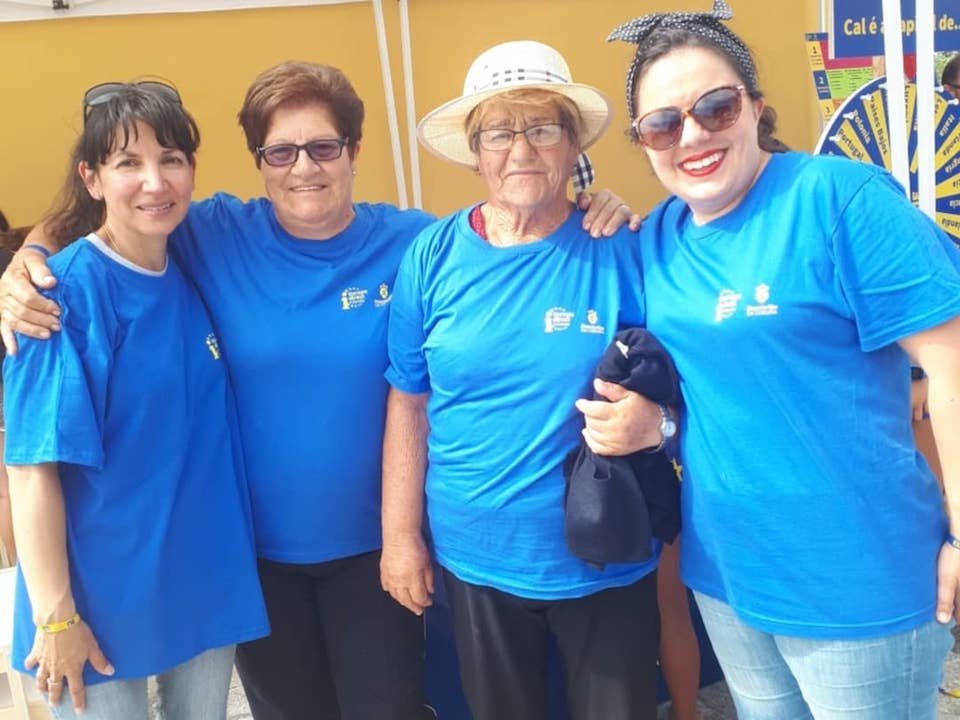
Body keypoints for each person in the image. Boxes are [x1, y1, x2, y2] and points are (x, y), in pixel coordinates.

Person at [1, 61, 633, 720]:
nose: (304, 167)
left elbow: (508, 226)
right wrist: (26, 262)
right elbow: (106, 220)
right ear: (261, 161)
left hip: (375, 550)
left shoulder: (415, 243)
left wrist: (593, 203)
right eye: (281, 151)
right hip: (255, 558)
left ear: (354, 152)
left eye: (323, 147)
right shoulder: (214, 233)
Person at [587, 1, 960, 718]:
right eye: (663, 123)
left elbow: (951, 363)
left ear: (756, 108)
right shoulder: (657, 236)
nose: (691, 135)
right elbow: (709, 395)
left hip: (860, 583)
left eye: (715, 107)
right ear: (643, 142)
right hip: (729, 578)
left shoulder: (836, 198)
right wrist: (655, 426)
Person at [381, 40, 666, 720]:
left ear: (572, 147)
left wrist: (659, 427)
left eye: (542, 129)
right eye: (500, 133)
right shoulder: (433, 253)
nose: (521, 150)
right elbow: (408, 401)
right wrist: (400, 537)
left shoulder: (620, 244)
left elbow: (685, 382)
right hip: (475, 558)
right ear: (476, 152)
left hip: (607, 555)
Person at [2, 82, 268, 720]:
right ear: (91, 179)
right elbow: (32, 468)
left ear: (192, 170)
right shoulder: (60, 295)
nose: (155, 181)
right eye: (128, 163)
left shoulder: (191, 269)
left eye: (171, 158)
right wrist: (56, 620)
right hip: (96, 604)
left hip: (201, 583)